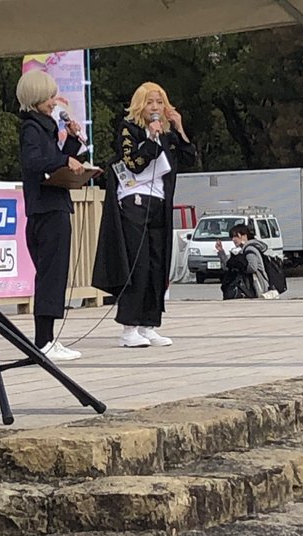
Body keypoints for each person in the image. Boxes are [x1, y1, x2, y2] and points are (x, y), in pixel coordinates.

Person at [92, 81, 196, 348]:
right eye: (150, 102)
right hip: (134, 200)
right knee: (137, 263)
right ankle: (129, 327)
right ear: (140, 105)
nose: (155, 107)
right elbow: (134, 164)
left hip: (160, 202)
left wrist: (179, 129)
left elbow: (189, 158)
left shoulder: (167, 133)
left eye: (159, 102)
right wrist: (150, 138)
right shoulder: (129, 129)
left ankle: (149, 324)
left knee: (157, 264)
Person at [16, 70, 85, 361]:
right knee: (49, 275)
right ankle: (43, 341)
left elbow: (56, 162)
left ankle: (48, 338)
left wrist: (71, 144)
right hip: (46, 210)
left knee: (54, 275)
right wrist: (63, 158)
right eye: (49, 97)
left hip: (54, 205)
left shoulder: (46, 127)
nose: (54, 102)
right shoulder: (31, 128)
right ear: (35, 98)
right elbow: (34, 162)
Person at [215, 225, 278, 300]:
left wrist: (241, 267)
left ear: (244, 235)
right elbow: (227, 266)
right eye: (232, 237)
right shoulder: (243, 250)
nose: (233, 239)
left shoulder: (250, 249)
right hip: (251, 287)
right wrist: (221, 252)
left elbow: (252, 267)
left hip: (257, 285)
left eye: (236, 236)